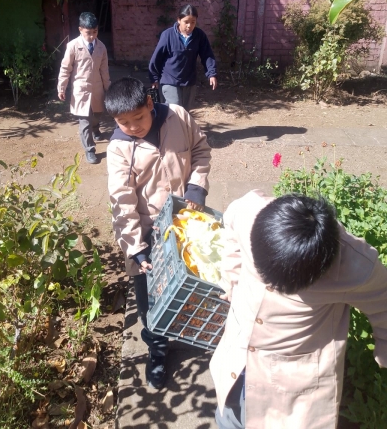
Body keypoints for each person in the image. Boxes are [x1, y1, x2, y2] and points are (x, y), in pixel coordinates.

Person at [210, 190, 387, 429]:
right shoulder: (249, 211)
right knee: (228, 418)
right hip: (237, 360)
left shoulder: (354, 266)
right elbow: (230, 224)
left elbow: (383, 300)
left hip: (290, 386)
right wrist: (232, 277)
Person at [105, 77, 211, 389]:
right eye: (123, 122)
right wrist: (135, 247)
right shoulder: (119, 148)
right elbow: (121, 200)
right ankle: (157, 350)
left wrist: (197, 188)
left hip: (184, 221)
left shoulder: (178, 117)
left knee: (186, 283)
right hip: (147, 232)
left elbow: (201, 151)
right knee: (149, 300)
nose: (133, 127)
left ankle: (187, 327)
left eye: (138, 118)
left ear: (151, 103)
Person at [57, 12, 110, 164]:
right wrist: (62, 87)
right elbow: (65, 68)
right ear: (80, 30)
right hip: (80, 89)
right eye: (88, 33)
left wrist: (108, 88)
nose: (92, 36)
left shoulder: (101, 47)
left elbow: (104, 70)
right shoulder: (73, 46)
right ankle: (90, 150)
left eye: (95, 32)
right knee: (84, 120)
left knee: (97, 114)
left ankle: (96, 128)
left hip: (97, 87)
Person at [148, 4, 218, 112]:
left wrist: (211, 73)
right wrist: (154, 78)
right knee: (173, 112)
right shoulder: (168, 35)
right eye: (186, 22)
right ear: (179, 20)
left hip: (189, 81)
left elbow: (207, 55)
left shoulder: (199, 36)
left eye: (193, 22)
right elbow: (157, 57)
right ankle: (171, 129)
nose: (189, 26)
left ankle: (182, 129)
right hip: (169, 80)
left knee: (185, 113)